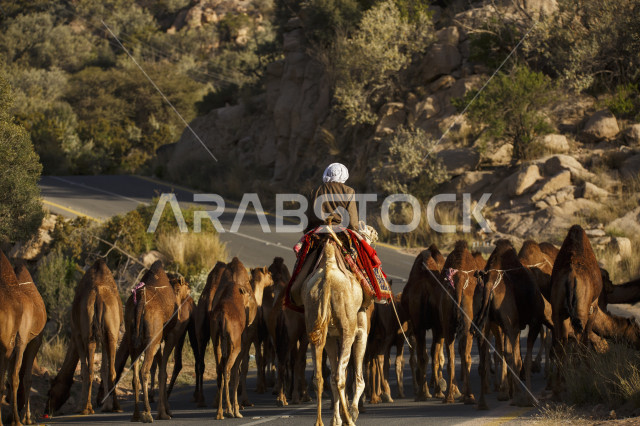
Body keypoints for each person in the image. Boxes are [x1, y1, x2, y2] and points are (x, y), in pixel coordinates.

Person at [304, 162, 359, 233]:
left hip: (317, 231)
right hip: (340, 232)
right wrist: (355, 231)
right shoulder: (349, 191)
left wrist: (307, 232)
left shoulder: (314, 191)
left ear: (326, 174)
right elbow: (352, 221)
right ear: (344, 175)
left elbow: (308, 218)